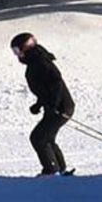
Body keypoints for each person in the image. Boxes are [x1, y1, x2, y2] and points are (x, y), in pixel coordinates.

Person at [10, 32, 75, 176]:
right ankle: (60, 169)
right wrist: (39, 104)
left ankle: (51, 170)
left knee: (39, 137)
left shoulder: (40, 61)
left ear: (26, 47)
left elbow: (56, 82)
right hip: (59, 106)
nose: (17, 55)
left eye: (17, 50)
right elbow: (46, 88)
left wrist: (53, 104)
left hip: (61, 107)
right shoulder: (36, 61)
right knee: (46, 137)